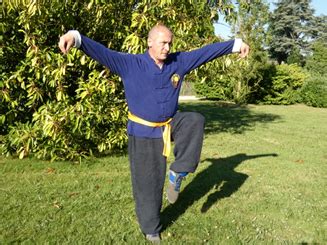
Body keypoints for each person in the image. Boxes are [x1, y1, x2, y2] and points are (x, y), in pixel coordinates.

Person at [59, 24, 249, 243]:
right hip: (142, 133)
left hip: (170, 124)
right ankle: (151, 228)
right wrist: (75, 37)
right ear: (149, 42)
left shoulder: (178, 62)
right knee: (148, 184)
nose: (167, 48)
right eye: (163, 43)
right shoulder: (130, 64)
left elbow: (205, 53)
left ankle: (178, 171)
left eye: (170, 43)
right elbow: (101, 52)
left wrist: (236, 45)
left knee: (194, 120)